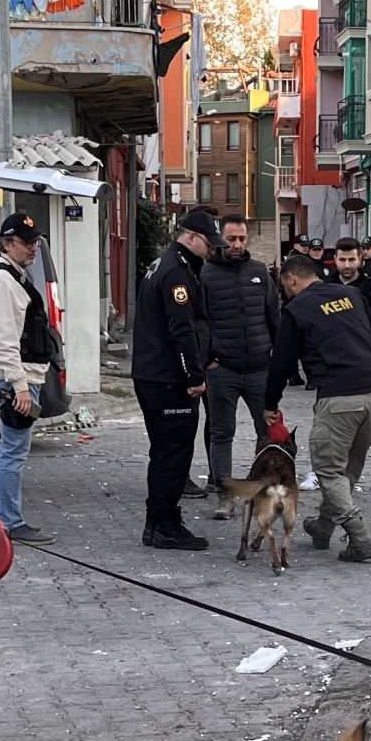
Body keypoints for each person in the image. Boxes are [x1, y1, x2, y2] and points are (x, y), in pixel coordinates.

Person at [265, 253, 371, 561]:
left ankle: (359, 538)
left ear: (291, 279)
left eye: (284, 285)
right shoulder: (351, 294)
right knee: (347, 473)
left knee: (329, 472)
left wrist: (269, 402)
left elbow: (281, 362)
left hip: (339, 397)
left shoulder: (297, 309)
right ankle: (322, 528)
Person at [133, 208, 218, 549]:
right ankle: (165, 524)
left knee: (162, 452)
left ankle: (156, 523)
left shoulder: (161, 264)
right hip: (169, 380)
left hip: (151, 375)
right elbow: (181, 328)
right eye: (209, 244)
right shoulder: (177, 272)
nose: (213, 250)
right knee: (175, 455)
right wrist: (194, 375)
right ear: (192, 237)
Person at [0, 212, 59, 544]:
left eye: (36, 241)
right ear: (6, 243)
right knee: (13, 452)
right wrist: (19, 386)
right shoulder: (3, 281)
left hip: (25, 375)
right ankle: (9, 522)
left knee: (13, 450)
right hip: (16, 378)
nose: (33, 248)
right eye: (27, 243)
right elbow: (4, 340)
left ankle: (8, 519)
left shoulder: (15, 277)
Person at [200, 214, 279, 516]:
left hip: (260, 368)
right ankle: (226, 498)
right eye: (231, 239)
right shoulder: (205, 275)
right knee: (222, 433)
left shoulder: (259, 271)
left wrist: (277, 360)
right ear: (220, 239)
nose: (237, 244)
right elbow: (200, 323)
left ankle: (266, 493)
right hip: (224, 371)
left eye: (242, 238)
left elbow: (275, 319)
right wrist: (209, 361)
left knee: (268, 435)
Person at [335, 236, 371, 347]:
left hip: (363, 352)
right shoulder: (327, 286)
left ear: (359, 259)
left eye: (352, 259)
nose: (347, 265)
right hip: (333, 353)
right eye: (342, 260)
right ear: (335, 259)